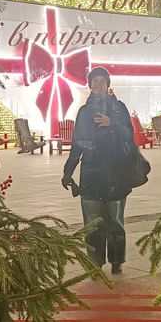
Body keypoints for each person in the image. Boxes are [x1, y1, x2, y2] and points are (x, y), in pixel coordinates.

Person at [61, 67, 134, 274]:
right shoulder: (84, 112)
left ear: (108, 85)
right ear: (90, 85)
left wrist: (112, 124)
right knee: (92, 223)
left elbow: (129, 135)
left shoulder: (119, 108)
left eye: (102, 81)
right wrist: (68, 171)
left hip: (115, 173)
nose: (98, 84)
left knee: (115, 221)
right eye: (95, 81)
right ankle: (95, 263)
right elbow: (77, 143)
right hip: (91, 173)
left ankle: (117, 261)